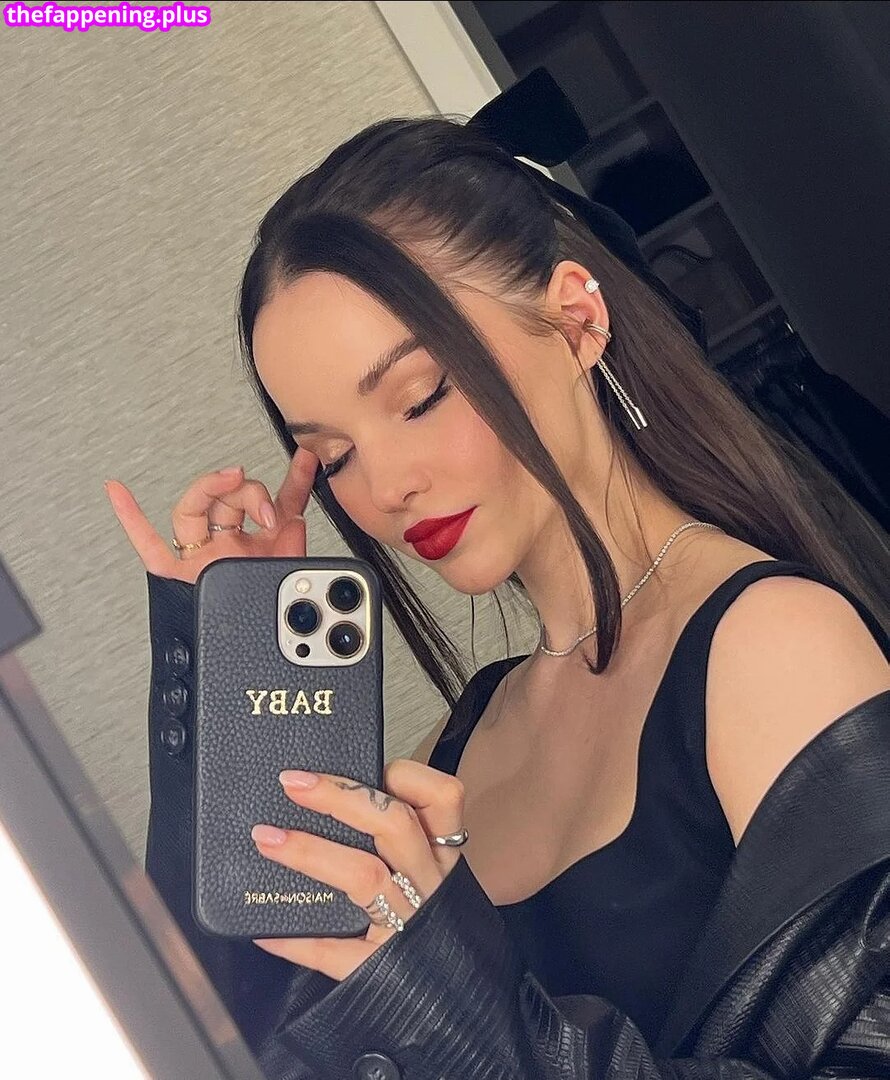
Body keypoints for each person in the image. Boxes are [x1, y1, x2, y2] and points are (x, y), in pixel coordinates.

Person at [105, 92, 890, 1080]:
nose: (386, 486)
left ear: (576, 320)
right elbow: (228, 1036)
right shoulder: (461, 742)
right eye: (334, 455)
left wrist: (453, 1011)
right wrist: (240, 686)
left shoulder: (772, 646)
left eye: (421, 397)